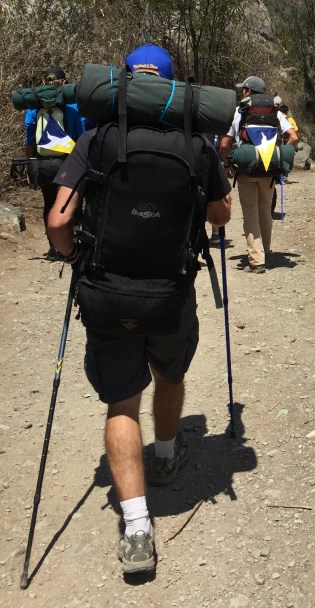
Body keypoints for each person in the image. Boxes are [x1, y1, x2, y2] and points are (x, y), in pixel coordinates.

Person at [47, 44, 232, 576]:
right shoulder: (197, 145)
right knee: (169, 374)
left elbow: (60, 224)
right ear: (176, 91)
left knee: (122, 403)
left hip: (107, 294)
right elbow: (219, 217)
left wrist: (73, 258)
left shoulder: (95, 140)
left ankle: (136, 527)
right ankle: (169, 456)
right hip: (171, 293)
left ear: (121, 85)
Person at [220, 76, 297, 274]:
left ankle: (256, 260)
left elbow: (224, 143)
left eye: (243, 89)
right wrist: (277, 156)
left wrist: (228, 163)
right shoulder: (276, 112)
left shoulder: (240, 111)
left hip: (247, 170)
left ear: (248, 92)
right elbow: (293, 137)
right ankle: (267, 251)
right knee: (265, 210)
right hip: (269, 171)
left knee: (250, 212)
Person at [24, 66, 86, 261]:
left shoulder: (33, 109)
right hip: (68, 162)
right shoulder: (73, 108)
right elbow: (81, 137)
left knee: (49, 203)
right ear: (64, 83)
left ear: (43, 84)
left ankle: (53, 248)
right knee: (72, 203)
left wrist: (30, 166)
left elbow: (30, 140)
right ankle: (72, 244)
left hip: (43, 163)